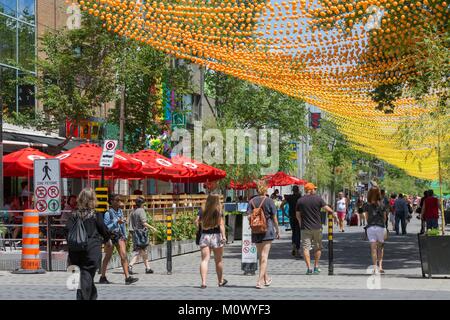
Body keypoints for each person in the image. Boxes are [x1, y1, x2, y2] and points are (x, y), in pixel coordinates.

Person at [66, 188, 112, 300]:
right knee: (87, 274)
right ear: (93, 199)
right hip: (91, 249)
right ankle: (82, 297)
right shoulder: (95, 214)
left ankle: (92, 296)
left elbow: (66, 230)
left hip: (75, 250)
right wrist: (108, 240)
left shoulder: (74, 215)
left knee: (85, 275)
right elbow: (103, 229)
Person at [296, 183, 334, 275]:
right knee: (318, 247)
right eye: (314, 189)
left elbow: (297, 215)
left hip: (305, 228)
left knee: (305, 248)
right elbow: (327, 209)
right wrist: (333, 213)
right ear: (311, 190)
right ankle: (316, 267)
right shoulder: (318, 199)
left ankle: (309, 268)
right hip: (317, 227)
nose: (315, 190)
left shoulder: (300, 200)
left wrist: (301, 224)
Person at [248, 180, 280, 288]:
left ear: (257, 189)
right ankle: (259, 281)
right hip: (267, 230)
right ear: (265, 189)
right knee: (264, 257)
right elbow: (274, 218)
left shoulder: (251, 201)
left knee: (261, 256)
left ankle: (266, 278)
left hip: (256, 230)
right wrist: (278, 230)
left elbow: (248, 216)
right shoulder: (269, 201)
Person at [100, 194, 138, 285]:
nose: (119, 202)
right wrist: (115, 222)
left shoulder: (120, 211)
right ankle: (102, 277)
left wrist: (125, 235)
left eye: (120, 200)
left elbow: (122, 224)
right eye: (117, 200)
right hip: (111, 236)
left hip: (119, 235)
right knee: (108, 257)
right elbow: (106, 228)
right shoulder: (107, 213)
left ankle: (127, 277)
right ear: (111, 201)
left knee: (124, 256)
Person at [194, 194, 227, 289]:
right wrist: (224, 236)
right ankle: (220, 281)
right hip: (216, 236)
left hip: (204, 235)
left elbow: (196, 221)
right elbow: (221, 225)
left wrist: (198, 228)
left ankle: (203, 282)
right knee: (218, 260)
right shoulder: (218, 210)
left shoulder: (202, 209)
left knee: (204, 260)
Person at [363, 187, 388, 275]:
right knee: (380, 247)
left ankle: (375, 267)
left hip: (370, 228)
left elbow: (366, 218)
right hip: (380, 227)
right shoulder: (382, 204)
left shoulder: (366, 205)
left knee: (373, 248)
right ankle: (380, 266)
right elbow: (385, 218)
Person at [128, 197, 155, 275]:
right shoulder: (141, 211)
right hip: (141, 234)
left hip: (134, 234)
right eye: (144, 203)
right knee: (140, 251)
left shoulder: (133, 212)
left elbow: (130, 224)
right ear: (142, 204)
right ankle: (130, 265)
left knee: (143, 251)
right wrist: (153, 228)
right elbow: (144, 223)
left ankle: (148, 268)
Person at [281, 186, 302, 257]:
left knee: (294, 232)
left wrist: (285, 214)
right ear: (298, 190)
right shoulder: (300, 197)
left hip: (291, 216)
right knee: (298, 233)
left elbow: (281, 205)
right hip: (299, 217)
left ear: (292, 190)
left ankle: (293, 245)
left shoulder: (289, 197)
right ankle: (297, 250)